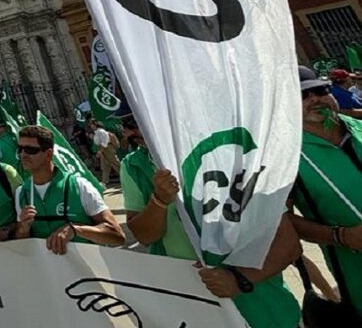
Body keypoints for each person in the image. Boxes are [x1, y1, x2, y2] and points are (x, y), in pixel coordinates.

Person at [121, 116, 302, 328]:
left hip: (262, 307)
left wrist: (239, 280)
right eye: (128, 125)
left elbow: (289, 245)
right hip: (192, 306)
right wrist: (159, 201)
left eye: (139, 122)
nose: (131, 132)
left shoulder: (233, 153)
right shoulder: (134, 165)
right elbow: (145, 236)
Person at [289, 65, 362, 319]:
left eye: (320, 90)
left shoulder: (359, 127)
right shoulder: (286, 157)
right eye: (302, 96)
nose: (315, 99)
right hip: (356, 273)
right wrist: (342, 236)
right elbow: (283, 223)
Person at [14, 125, 124, 253]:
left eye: (30, 150)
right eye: (20, 149)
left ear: (48, 154)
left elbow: (117, 236)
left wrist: (75, 230)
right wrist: (22, 229)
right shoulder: (21, 193)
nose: (23, 155)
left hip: (86, 270)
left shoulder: (79, 186)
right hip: (46, 271)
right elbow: (21, 245)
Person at [89, 120, 120, 186]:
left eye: (91, 124)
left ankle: (126, 176)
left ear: (95, 125)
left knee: (115, 163)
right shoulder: (97, 132)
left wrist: (100, 151)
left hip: (107, 149)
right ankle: (104, 182)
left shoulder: (101, 131)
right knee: (105, 167)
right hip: (103, 150)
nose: (90, 126)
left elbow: (104, 143)